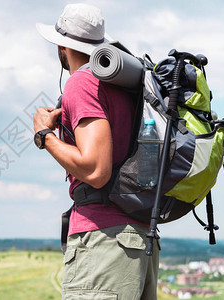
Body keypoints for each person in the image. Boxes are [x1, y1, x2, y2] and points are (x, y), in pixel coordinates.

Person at [33, 3, 159, 299]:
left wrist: (44, 135)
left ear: (63, 47)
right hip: (139, 240)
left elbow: (96, 170)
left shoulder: (82, 82)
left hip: (104, 240)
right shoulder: (122, 87)